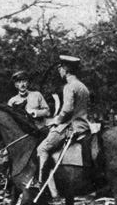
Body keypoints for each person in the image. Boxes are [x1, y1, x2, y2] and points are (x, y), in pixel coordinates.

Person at [35, 55, 90, 194]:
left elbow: (67, 110)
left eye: (60, 68)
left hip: (71, 127)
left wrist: (55, 121)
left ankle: (41, 184)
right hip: (84, 125)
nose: (59, 71)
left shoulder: (69, 86)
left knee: (42, 149)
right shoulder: (82, 86)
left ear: (66, 69)